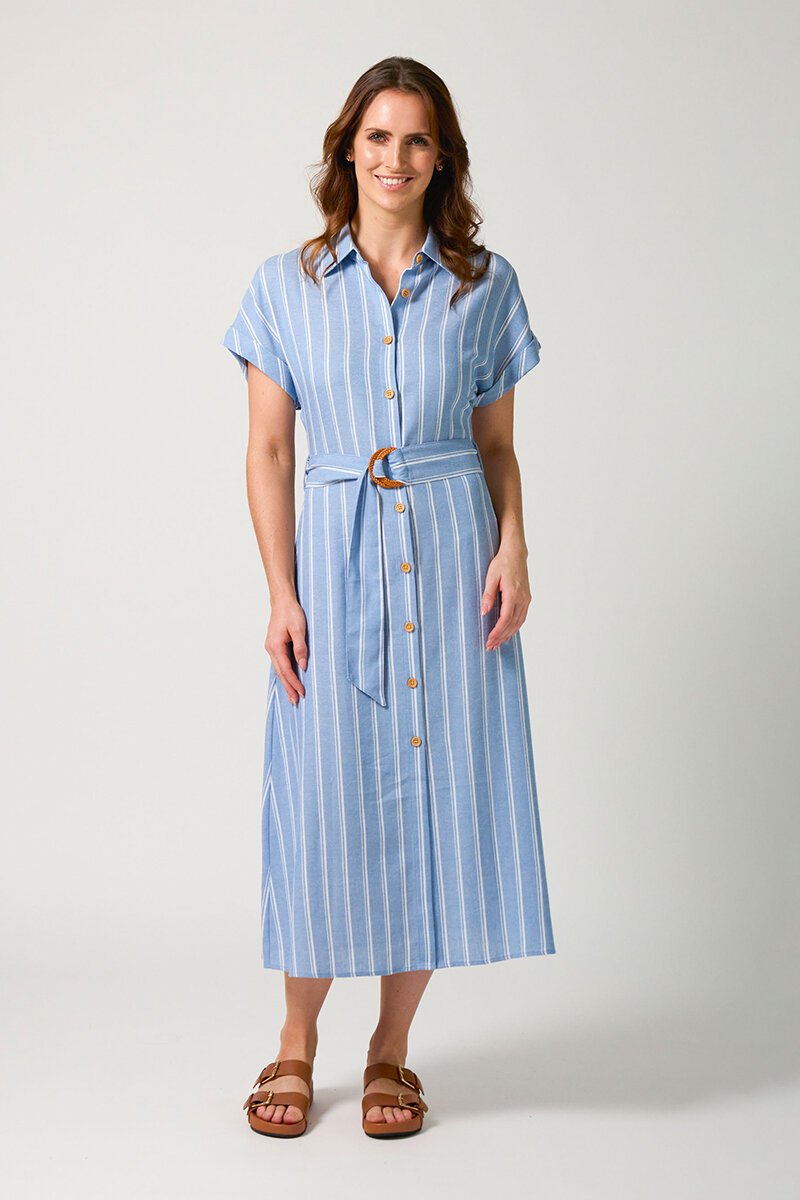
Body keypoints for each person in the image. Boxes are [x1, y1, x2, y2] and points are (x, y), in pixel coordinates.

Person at [222, 56, 556, 1140]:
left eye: (416, 140)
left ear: (441, 156)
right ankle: (294, 1040)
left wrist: (512, 546)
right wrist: (281, 591)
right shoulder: (285, 285)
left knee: (434, 799)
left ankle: (391, 1050)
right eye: (377, 137)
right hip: (333, 561)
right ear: (347, 149)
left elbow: (495, 446)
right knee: (322, 798)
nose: (395, 158)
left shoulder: (483, 284)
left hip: (454, 559)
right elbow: (269, 451)